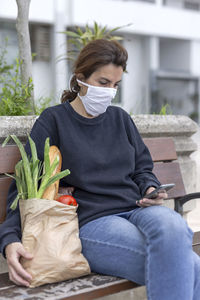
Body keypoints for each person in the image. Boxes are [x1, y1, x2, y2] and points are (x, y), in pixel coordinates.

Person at [0, 39, 200, 299]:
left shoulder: (121, 119)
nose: (109, 91)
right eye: (103, 83)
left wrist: (149, 187)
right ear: (80, 78)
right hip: (94, 223)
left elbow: (142, 169)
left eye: (115, 85)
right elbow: (25, 186)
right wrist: (9, 240)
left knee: (173, 226)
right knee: (191, 265)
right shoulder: (54, 120)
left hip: (137, 210)